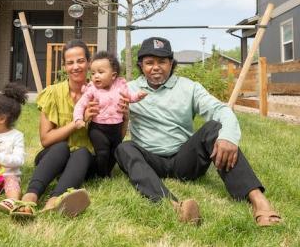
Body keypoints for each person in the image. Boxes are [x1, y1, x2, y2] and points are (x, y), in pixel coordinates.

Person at [115, 37, 282, 227]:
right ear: (140, 65)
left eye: (162, 61)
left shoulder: (189, 87)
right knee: (124, 148)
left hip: (184, 160)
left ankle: (259, 201)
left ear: (171, 63)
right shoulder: (127, 90)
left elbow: (221, 110)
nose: (156, 67)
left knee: (214, 129)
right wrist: (124, 117)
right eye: (149, 62)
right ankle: (174, 205)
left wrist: (228, 137)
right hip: (150, 161)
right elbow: (114, 130)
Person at [2, 40, 97, 219]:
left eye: (80, 61)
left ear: (89, 62)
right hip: (53, 159)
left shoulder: (98, 93)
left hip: (82, 163)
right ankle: (30, 196)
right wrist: (76, 122)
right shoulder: (52, 92)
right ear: (64, 66)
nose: (76, 66)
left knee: (83, 152)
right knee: (61, 147)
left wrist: (123, 117)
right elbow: (45, 140)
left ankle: (54, 201)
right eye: (70, 62)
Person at [72, 51, 146, 177]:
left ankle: (107, 171)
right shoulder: (92, 90)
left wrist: (138, 96)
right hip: (98, 128)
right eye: (93, 73)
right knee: (102, 152)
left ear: (113, 75)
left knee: (114, 152)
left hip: (116, 128)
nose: (96, 76)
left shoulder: (120, 86)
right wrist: (78, 119)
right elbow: (80, 104)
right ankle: (102, 175)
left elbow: (129, 98)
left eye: (100, 72)